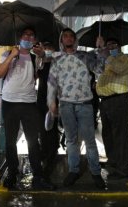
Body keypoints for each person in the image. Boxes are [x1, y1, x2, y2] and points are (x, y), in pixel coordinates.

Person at [0, 27, 56, 190]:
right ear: (19, 37)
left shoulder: (35, 57)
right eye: (25, 35)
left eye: (31, 36)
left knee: (33, 141)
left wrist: (42, 54)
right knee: (10, 142)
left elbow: (41, 68)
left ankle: (38, 176)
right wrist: (12, 57)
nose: (28, 38)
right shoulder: (8, 54)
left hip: (29, 103)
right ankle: (12, 173)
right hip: (10, 102)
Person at [47, 28, 106, 189]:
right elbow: (52, 81)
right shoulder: (57, 58)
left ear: (74, 39)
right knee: (71, 140)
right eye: (65, 36)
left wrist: (101, 50)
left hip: (85, 104)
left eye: (71, 36)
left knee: (90, 141)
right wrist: (51, 101)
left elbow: (100, 69)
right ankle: (73, 170)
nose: (68, 38)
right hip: (65, 104)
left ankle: (95, 172)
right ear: (61, 40)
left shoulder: (85, 56)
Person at [95, 36, 128, 180]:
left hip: (119, 99)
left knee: (120, 134)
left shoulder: (125, 58)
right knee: (108, 134)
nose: (111, 47)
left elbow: (119, 70)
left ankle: (123, 168)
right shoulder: (106, 61)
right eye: (108, 45)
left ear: (119, 46)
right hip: (105, 101)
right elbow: (99, 74)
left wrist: (107, 58)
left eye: (114, 44)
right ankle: (113, 162)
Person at [36, 42, 60, 179]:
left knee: (51, 129)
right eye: (45, 49)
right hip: (40, 100)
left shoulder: (57, 64)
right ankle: (45, 153)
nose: (47, 51)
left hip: (53, 100)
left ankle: (52, 154)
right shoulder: (40, 63)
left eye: (50, 49)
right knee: (42, 129)